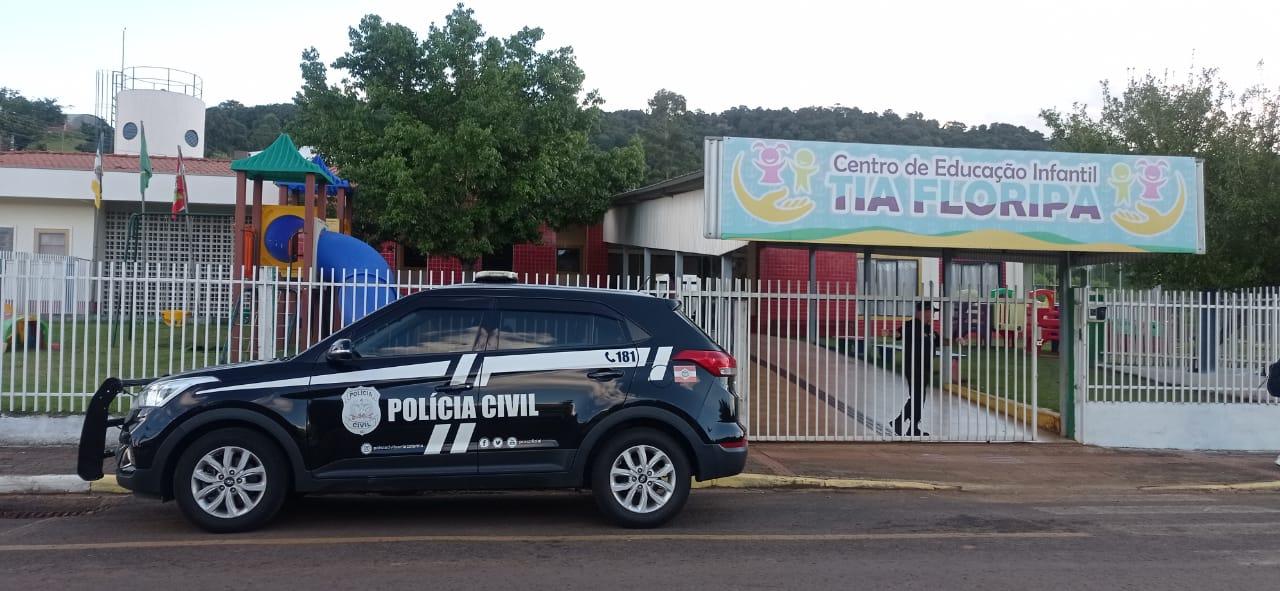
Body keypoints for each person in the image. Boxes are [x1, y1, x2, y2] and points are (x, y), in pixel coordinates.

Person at [893, 301, 938, 437]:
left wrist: (957, 341)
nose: (933, 314)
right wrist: (890, 333)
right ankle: (900, 422)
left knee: (919, 397)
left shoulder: (928, 329)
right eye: (931, 311)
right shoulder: (910, 325)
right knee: (918, 397)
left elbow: (940, 340)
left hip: (925, 367)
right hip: (914, 366)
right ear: (922, 311)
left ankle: (912, 427)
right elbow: (898, 334)